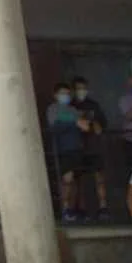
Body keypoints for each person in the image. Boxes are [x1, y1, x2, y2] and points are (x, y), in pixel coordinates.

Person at [46, 82, 86, 223]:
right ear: (55, 95)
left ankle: (73, 209)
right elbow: (54, 126)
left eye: (68, 94)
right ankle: (65, 209)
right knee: (66, 179)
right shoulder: (53, 109)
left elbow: (83, 124)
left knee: (75, 180)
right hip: (63, 149)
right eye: (63, 93)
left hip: (76, 148)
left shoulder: (73, 110)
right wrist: (73, 123)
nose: (66, 96)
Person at [71, 76, 109, 220]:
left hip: (93, 146)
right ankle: (81, 209)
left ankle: (103, 207)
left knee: (99, 177)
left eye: (84, 88)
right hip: (77, 146)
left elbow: (102, 125)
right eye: (78, 89)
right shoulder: (70, 106)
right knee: (79, 179)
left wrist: (94, 123)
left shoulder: (93, 105)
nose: (82, 91)